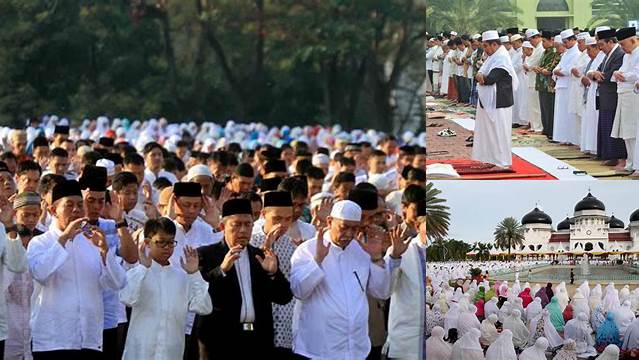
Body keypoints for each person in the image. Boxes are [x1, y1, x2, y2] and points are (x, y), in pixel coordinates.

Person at [289, 200, 406, 359]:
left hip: (356, 349)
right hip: (318, 350)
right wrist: (317, 261)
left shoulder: (361, 250)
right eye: (344, 227)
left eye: (355, 228)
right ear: (330, 221)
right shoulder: (308, 250)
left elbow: (381, 292)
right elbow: (299, 291)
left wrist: (376, 258)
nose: (349, 234)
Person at [27, 179, 126, 358]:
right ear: (52, 210)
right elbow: (40, 273)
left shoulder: (93, 241)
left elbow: (118, 283)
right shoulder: (40, 242)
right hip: (52, 340)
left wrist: (105, 252)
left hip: (89, 339)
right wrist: (64, 239)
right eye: (69, 205)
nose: (76, 210)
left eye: (80, 205)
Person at [197, 198, 293, 359]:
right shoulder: (207, 255)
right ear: (223, 227)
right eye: (237, 224)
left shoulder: (260, 255)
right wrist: (222, 270)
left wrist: (273, 274)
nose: (243, 230)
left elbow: (283, 297)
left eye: (248, 224)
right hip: (220, 341)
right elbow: (200, 297)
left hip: (256, 340)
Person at [120, 217, 212, 360]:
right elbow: (126, 298)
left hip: (171, 353)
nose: (167, 248)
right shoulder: (138, 273)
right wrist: (143, 268)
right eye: (161, 242)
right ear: (147, 242)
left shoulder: (182, 277)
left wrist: (194, 274)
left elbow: (204, 308)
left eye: (171, 242)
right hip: (140, 352)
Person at [249, 190, 299, 358]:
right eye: (277, 219)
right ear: (263, 214)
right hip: (257, 324)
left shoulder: (291, 246)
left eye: (287, 219)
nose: (282, 225)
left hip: (285, 326)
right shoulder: (251, 241)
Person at [385, 200, 426, 359]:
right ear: (417, 226)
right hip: (406, 344)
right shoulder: (401, 250)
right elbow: (385, 290)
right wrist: (394, 257)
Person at [472, 30, 519, 168]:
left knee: (499, 132)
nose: (484, 50)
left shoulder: (502, 57)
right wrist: (481, 76)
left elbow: (490, 78)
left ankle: (502, 162)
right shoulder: (492, 57)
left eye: (486, 46)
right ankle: (490, 160)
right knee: (488, 132)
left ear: (494, 44)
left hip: (500, 101)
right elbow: (479, 74)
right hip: (489, 101)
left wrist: (482, 77)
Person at [588, 28, 627, 169]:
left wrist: (598, 75)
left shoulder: (619, 54)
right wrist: (594, 74)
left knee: (614, 128)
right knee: (606, 127)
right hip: (605, 97)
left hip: (613, 97)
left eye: (602, 45)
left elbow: (609, 75)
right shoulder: (607, 54)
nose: (601, 49)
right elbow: (595, 71)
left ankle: (618, 156)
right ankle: (610, 155)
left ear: (610, 42)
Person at [611, 27, 639, 175]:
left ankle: (636, 163)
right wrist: (617, 73)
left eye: (623, 44)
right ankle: (630, 162)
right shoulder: (627, 56)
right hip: (623, 94)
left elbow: (635, 74)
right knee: (626, 131)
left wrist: (624, 76)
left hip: (634, 96)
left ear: (633, 40)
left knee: (634, 131)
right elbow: (620, 72)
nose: (622, 48)